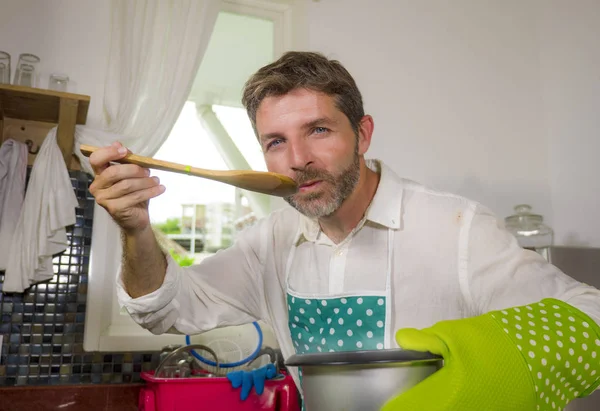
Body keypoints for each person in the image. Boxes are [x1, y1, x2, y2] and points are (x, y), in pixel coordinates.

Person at [89, 51, 600, 410]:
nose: (297, 161)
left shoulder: (457, 228)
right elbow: (164, 308)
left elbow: (587, 313)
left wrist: (477, 368)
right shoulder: (267, 243)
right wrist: (136, 230)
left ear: (363, 133)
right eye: (275, 141)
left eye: (318, 130)